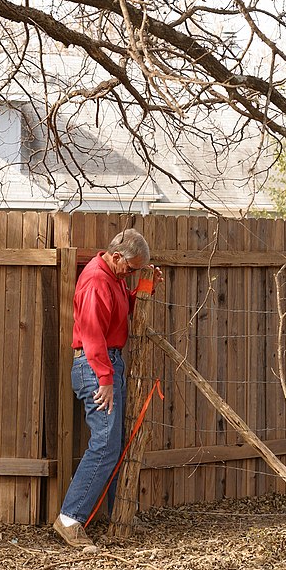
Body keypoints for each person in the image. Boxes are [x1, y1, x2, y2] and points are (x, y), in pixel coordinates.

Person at [53, 228, 163, 549]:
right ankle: (70, 519)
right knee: (104, 445)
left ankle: (119, 517)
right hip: (94, 366)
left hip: (108, 364)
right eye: (131, 270)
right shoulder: (96, 281)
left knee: (114, 443)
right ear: (116, 257)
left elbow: (121, 309)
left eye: (135, 273)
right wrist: (104, 378)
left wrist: (144, 285)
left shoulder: (112, 278)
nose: (130, 275)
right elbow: (91, 334)